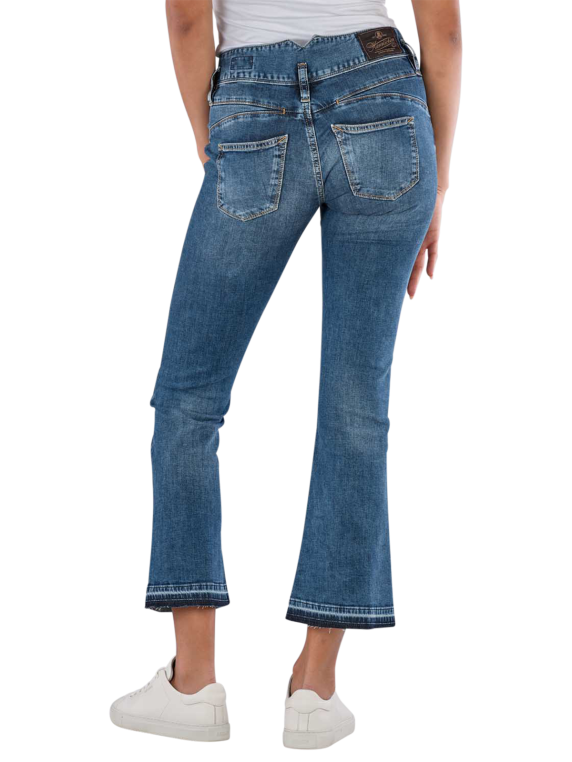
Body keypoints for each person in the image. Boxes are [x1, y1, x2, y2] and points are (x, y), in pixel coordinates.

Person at [108, 0, 462, 748]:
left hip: (253, 102)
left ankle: (193, 684)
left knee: (188, 400)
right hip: (384, 98)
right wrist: (437, 183)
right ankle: (315, 689)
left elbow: (185, 20)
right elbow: (445, 26)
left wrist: (211, 137)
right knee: (356, 404)